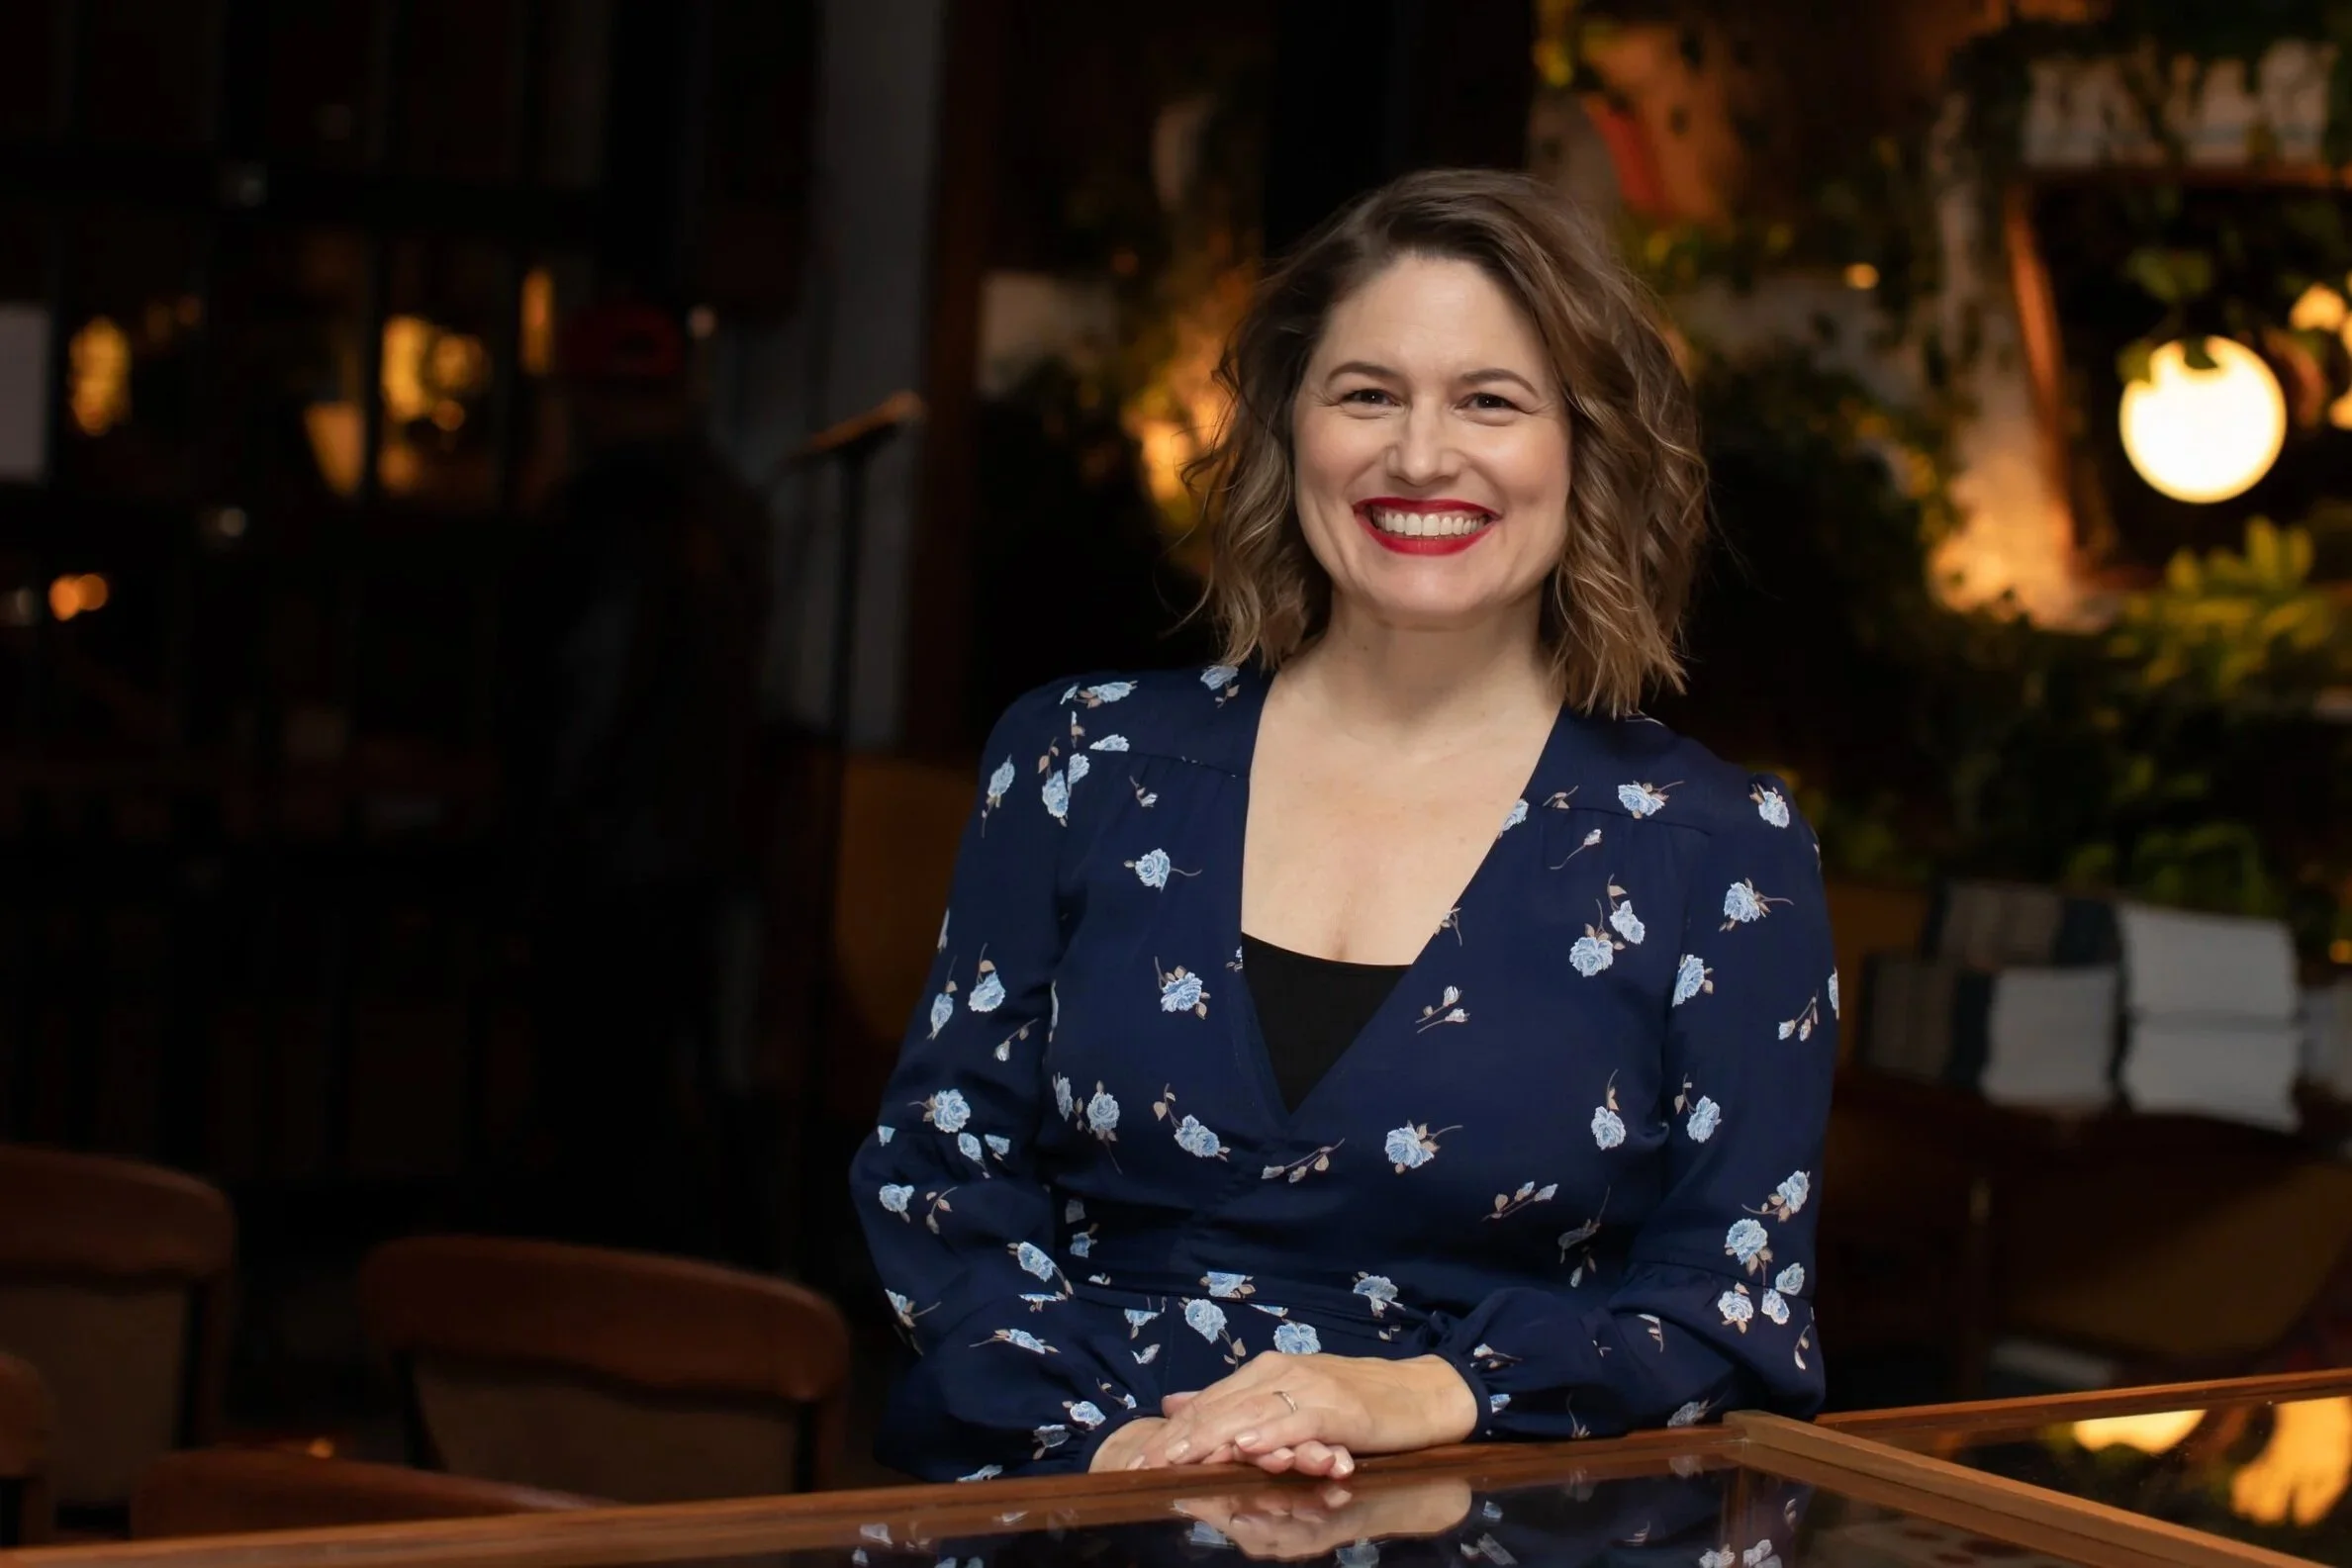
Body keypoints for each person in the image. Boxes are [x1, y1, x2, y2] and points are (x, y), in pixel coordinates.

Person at [851, 168, 1837, 1483]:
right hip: (1068, 1496)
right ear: (1288, 430)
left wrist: (1416, 1396)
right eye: (1367, 394)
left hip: (1472, 1515)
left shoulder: (1718, 848)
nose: (1420, 456)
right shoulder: (1084, 760)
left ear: (1584, 446)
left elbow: (1733, 1304)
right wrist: (1119, 1444)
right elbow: (940, 1167)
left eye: (1491, 401)